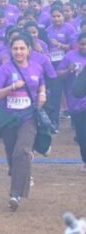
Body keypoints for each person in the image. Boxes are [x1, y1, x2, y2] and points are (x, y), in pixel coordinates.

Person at [0, 35, 46, 211]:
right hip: (8, 118)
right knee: (12, 155)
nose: (19, 52)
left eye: (22, 48)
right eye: (15, 48)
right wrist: (12, 87)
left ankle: (16, 194)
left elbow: (41, 83)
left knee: (21, 152)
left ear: (29, 50)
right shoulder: (5, 69)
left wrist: (42, 93)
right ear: (11, 50)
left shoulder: (37, 67)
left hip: (28, 117)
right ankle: (21, 174)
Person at [58, 33, 86, 173]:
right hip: (76, 102)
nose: (84, 47)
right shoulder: (70, 56)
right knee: (82, 135)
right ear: (77, 44)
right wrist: (68, 70)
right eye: (82, 44)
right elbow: (59, 74)